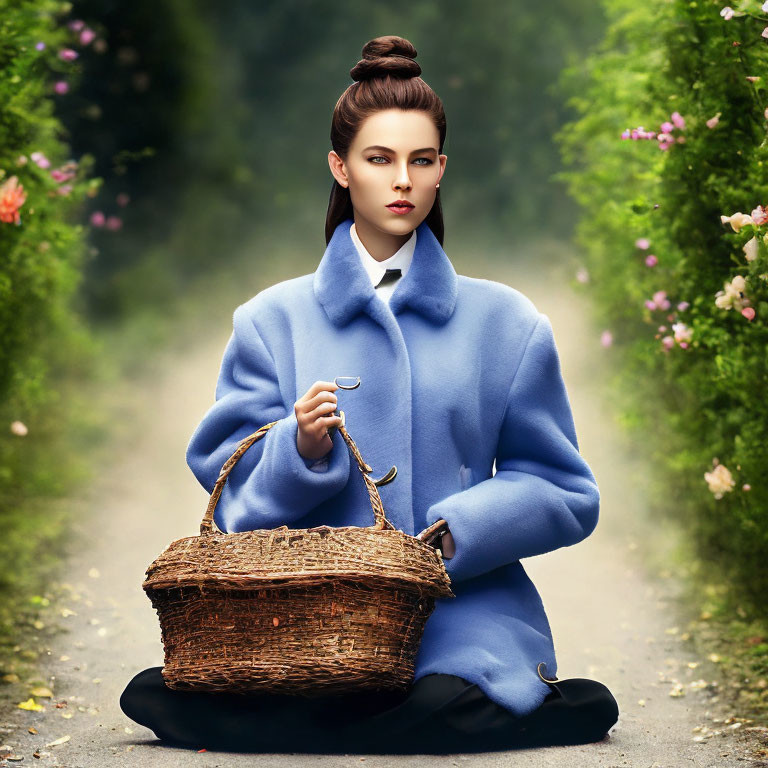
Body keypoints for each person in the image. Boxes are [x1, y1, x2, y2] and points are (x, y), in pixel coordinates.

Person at [120, 34, 619, 753]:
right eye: (379, 159)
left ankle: (332, 723)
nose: (402, 181)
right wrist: (300, 448)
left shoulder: (508, 324)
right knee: (153, 692)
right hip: (306, 618)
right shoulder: (271, 321)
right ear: (341, 167)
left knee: (443, 695)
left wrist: (459, 533)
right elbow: (228, 488)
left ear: (442, 169)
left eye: (421, 161)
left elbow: (565, 489)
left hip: (462, 612)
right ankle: (500, 712)